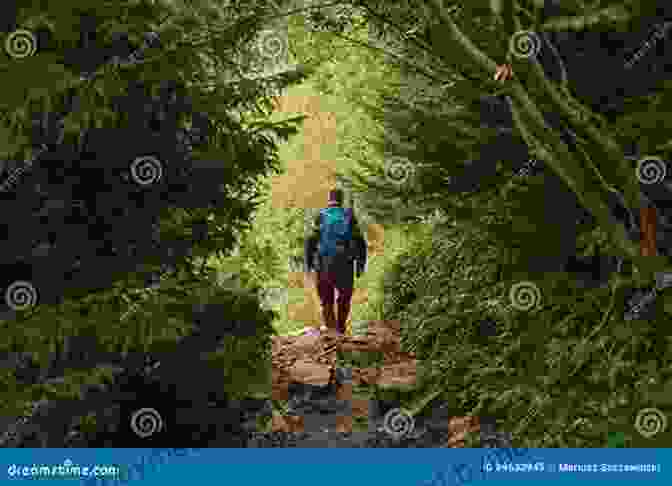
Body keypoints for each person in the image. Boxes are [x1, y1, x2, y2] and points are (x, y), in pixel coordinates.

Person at [304, 189, 366, 335]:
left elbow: (310, 240)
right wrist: (360, 265)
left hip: (324, 263)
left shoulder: (320, 216)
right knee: (344, 298)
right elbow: (360, 242)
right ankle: (341, 327)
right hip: (345, 263)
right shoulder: (349, 215)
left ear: (329, 200)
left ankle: (331, 332)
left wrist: (309, 264)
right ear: (341, 200)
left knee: (326, 300)